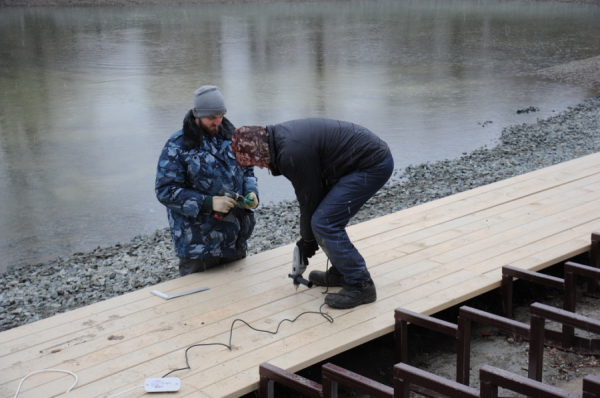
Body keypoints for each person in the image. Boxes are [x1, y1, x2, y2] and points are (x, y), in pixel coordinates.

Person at [231, 119, 393, 309]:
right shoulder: (278, 140)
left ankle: (361, 284)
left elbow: (309, 200)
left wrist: (307, 242)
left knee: (325, 222)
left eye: (256, 161)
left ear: (260, 150)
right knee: (324, 219)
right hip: (356, 162)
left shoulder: (291, 153)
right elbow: (314, 194)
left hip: (371, 165)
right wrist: (307, 240)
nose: (259, 167)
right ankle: (342, 272)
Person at [155, 85, 259, 276]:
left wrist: (251, 191)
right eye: (212, 117)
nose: (217, 122)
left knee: (238, 297)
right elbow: (165, 191)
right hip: (198, 245)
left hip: (235, 238)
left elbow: (248, 171)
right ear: (197, 115)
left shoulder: (236, 138)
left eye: (220, 115)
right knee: (197, 303)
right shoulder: (177, 146)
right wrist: (208, 203)